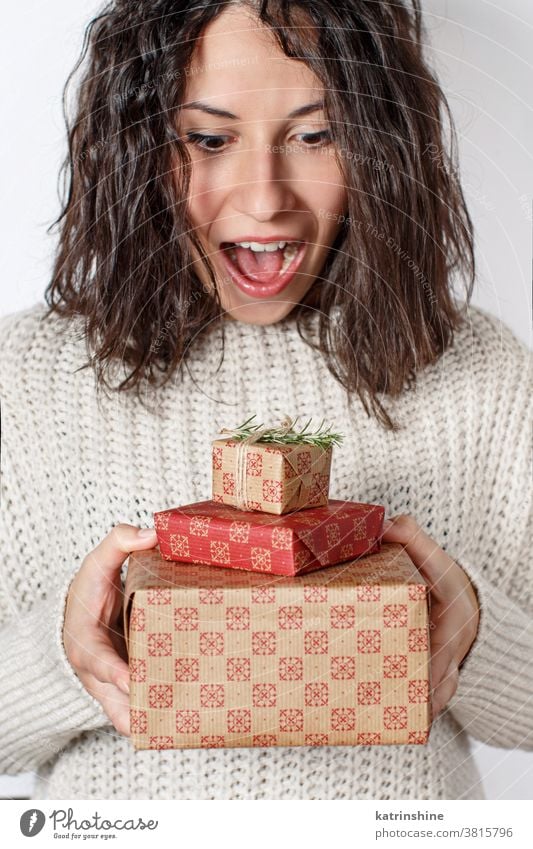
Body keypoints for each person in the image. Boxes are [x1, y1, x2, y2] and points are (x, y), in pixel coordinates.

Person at [0, 0, 531, 801]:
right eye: (209, 139)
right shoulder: (25, 374)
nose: (263, 199)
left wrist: (470, 639)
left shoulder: (477, 367)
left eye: (316, 135)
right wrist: (69, 654)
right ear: (134, 149)